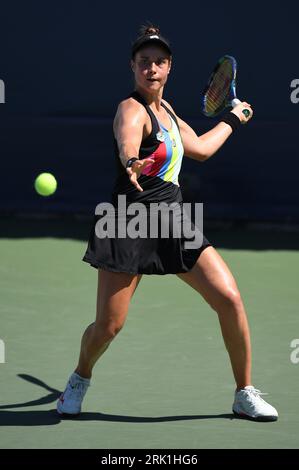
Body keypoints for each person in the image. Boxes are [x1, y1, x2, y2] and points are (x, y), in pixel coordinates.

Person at [57, 24, 278, 422]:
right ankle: (79, 377)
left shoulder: (169, 112)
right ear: (133, 66)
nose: (152, 69)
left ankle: (244, 392)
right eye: (144, 62)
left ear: (169, 67)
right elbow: (127, 140)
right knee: (108, 327)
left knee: (229, 298)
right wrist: (131, 161)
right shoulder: (130, 109)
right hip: (129, 220)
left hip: (174, 218)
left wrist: (232, 118)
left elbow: (201, 150)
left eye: (159, 62)